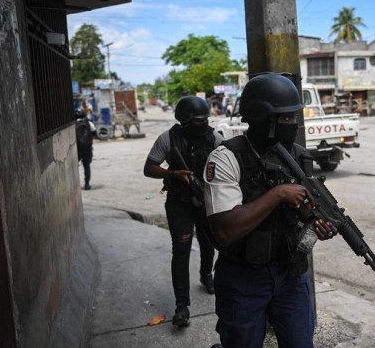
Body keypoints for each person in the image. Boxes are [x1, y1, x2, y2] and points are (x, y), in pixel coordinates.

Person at [203, 74, 338, 347]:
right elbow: (225, 230)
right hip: (243, 278)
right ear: (261, 118)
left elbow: (303, 225)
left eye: (294, 117)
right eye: (284, 118)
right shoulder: (227, 158)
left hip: (290, 275)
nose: (293, 124)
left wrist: (317, 227)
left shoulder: (300, 158)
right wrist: (277, 194)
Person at [143, 96, 221, 327]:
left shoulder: (214, 138)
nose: (202, 124)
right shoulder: (168, 139)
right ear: (184, 120)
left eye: (205, 119)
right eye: (197, 120)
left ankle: (206, 275)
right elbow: (149, 168)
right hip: (179, 201)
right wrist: (173, 174)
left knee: (209, 243)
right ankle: (182, 306)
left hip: (206, 200)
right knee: (182, 249)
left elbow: (229, 165)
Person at [75, 107, 96, 190]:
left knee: (73, 166)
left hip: (77, 149)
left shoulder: (72, 124)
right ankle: (87, 184)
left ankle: (74, 184)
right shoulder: (89, 123)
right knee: (87, 166)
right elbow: (95, 133)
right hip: (87, 148)